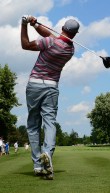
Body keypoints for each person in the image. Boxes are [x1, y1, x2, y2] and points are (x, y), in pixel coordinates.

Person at [21, 15, 80, 180]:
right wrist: (36, 25)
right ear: (75, 34)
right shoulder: (70, 50)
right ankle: (47, 153)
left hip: (34, 86)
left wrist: (24, 25)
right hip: (52, 87)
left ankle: (38, 165)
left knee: (33, 125)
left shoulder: (50, 42)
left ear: (62, 27)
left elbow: (25, 45)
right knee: (50, 123)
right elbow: (52, 37)